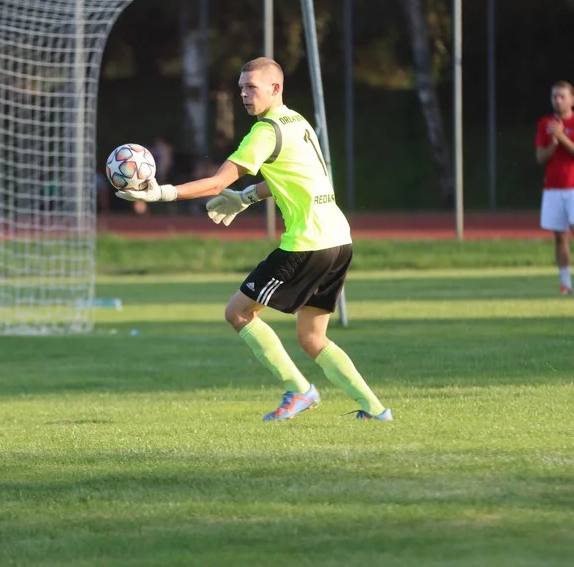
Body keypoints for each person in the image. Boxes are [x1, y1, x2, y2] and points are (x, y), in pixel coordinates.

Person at [116, 57, 392, 421]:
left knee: (238, 312)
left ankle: (299, 390)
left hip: (307, 244)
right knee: (312, 338)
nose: (245, 95)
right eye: (242, 88)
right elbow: (296, 178)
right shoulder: (297, 122)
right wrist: (246, 197)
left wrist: (161, 194)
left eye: (252, 88)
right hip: (339, 241)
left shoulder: (265, 132)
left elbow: (216, 182)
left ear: (275, 88)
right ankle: (375, 410)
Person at [534, 81, 574, 295]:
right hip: (553, 189)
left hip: (573, 188)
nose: (557, 100)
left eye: (562, 96)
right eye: (554, 97)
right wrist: (554, 143)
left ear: (572, 99)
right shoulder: (544, 124)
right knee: (560, 237)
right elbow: (540, 157)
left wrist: (562, 137)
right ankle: (565, 284)